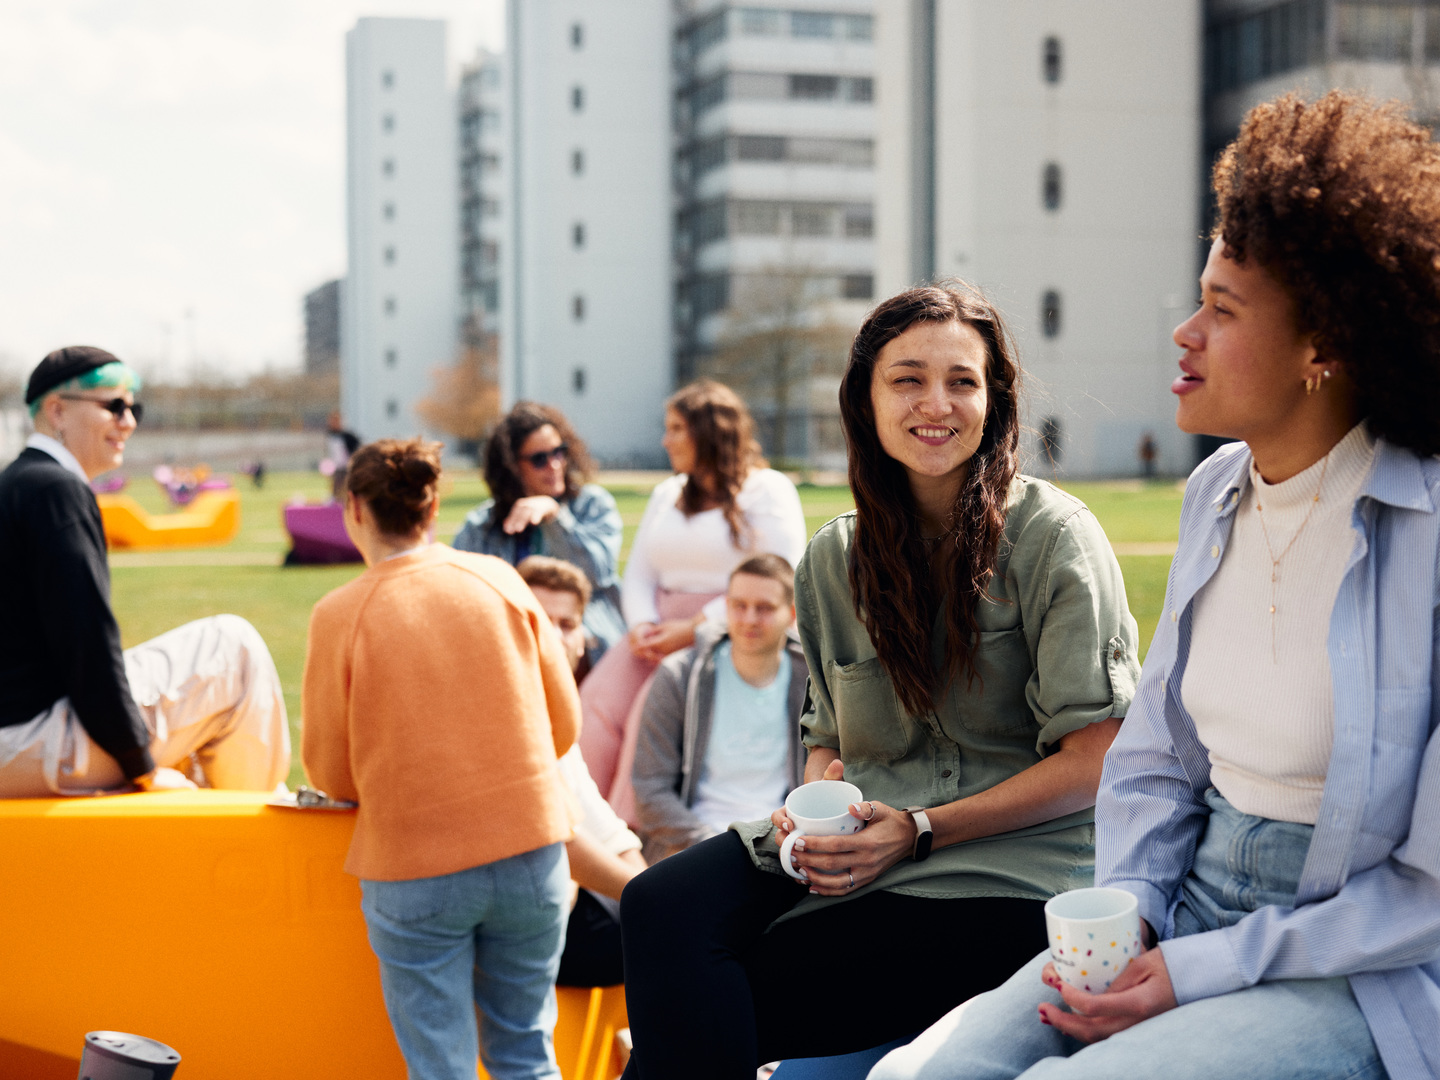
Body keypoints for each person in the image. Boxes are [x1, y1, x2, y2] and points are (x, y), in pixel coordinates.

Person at [869, 91, 1440, 1080]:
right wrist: (1131, 913)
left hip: (1350, 966)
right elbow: (1158, 760)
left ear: (1324, 345)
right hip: (1180, 910)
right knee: (914, 1077)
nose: (1184, 332)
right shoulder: (1217, 493)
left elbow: (1426, 891)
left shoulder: (1428, 528)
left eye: (1222, 310)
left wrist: (1196, 970)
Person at [617, 284, 1142, 1079]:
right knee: (657, 906)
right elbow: (827, 737)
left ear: (993, 400)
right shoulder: (834, 559)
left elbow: (1095, 758)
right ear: (866, 398)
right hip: (867, 837)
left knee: (720, 1002)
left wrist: (922, 829)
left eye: (962, 381)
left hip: (1007, 865)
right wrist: (809, 820)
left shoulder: (1054, 538)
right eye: (907, 379)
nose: (937, 403)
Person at [303, 439, 580, 1080]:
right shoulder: (500, 578)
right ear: (432, 506)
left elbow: (330, 772)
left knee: (441, 1068)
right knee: (527, 1054)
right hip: (532, 852)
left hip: (413, 866)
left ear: (354, 507)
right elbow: (562, 727)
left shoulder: (340, 613)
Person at [0, 346, 290, 797]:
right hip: (32, 743)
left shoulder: (15, 484)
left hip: (20, 734)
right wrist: (142, 766)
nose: (129, 422)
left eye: (134, 408)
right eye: (114, 407)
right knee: (234, 646)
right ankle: (255, 832)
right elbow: (87, 643)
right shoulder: (56, 489)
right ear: (57, 410)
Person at [579, 379, 807, 811]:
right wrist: (642, 625)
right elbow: (641, 572)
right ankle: (583, 827)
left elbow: (779, 574)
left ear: (710, 432)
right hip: (653, 629)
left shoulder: (768, 489)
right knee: (597, 702)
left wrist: (691, 629)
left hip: (728, 626)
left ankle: (634, 833)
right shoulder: (667, 493)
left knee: (650, 710)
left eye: (676, 429)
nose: (665, 441)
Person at [517, 555, 647, 987]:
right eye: (540, 619)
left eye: (568, 624)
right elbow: (561, 839)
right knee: (679, 939)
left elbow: (604, 826)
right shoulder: (512, 713)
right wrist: (655, 904)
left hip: (564, 899)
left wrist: (657, 894)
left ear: (583, 639)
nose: (555, 635)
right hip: (519, 922)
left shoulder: (556, 713)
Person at [631, 553, 808, 863]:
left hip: (784, 842)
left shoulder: (812, 682)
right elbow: (650, 789)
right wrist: (708, 844)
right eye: (739, 605)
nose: (750, 618)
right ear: (725, 607)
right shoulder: (680, 676)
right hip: (694, 843)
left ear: (791, 613)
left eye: (764, 608)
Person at [453, 402, 625, 660]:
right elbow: (461, 595)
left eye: (559, 452)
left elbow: (597, 574)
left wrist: (554, 517)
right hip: (509, 649)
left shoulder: (593, 504)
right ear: (511, 466)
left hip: (586, 650)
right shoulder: (481, 526)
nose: (554, 465)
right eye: (539, 459)